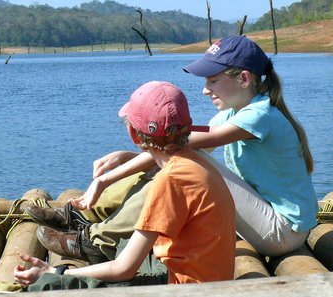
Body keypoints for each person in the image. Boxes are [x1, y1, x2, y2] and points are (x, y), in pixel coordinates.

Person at [81, 35, 318, 257]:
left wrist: (105, 179)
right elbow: (168, 149)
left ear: (244, 78)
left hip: (282, 233)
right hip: (266, 220)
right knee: (176, 162)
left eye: (213, 81)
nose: (205, 90)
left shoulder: (259, 115)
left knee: (186, 161)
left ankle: (98, 241)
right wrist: (129, 156)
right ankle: (92, 215)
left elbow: (178, 147)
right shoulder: (236, 113)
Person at [14, 81, 236, 287]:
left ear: (134, 135)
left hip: (187, 289)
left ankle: (69, 261)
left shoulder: (170, 179)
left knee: (50, 285)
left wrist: (56, 272)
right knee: (123, 245)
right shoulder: (196, 162)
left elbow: (124, 270)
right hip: (207, 278)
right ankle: (93, 244)